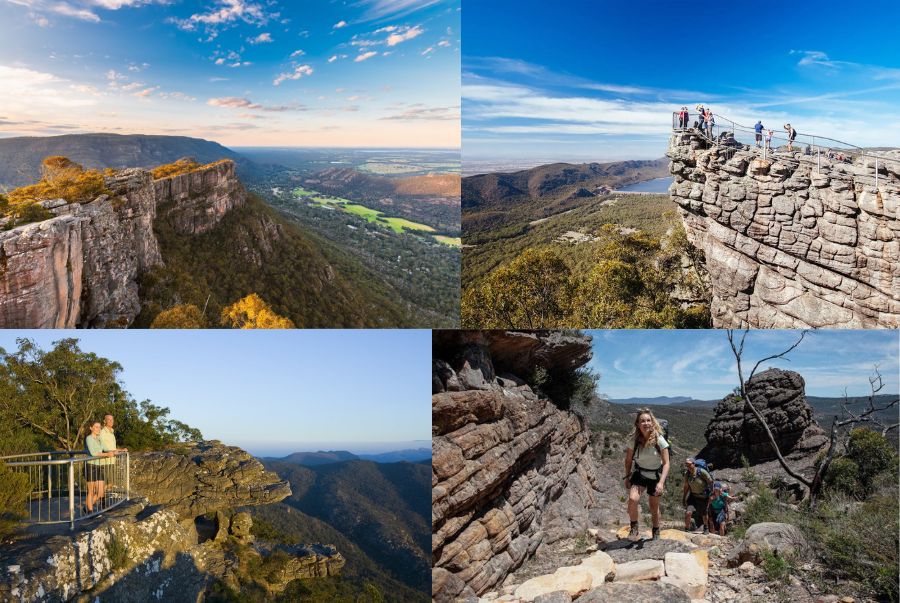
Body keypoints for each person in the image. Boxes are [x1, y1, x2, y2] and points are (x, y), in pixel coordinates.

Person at [624, 409, 670, 541]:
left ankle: (656, 530)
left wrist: (661, 482)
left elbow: (666, 463)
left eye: (648, 420)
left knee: (653, 506)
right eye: (642, 421)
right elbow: (628, 460)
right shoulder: (634, 440)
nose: (646, 423)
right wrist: (627, 476)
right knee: (633, 499)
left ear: (652, 422)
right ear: (638, 424)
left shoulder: (659, 439)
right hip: (640, 474)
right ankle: (634, 527)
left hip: (655, 476)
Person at [84, 421, 116, 513]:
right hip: (91, 466)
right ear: (91, 428)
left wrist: (115, 451)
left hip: (99, 466)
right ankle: (90, 511)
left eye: (99, 427)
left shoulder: (98, 438)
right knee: (91, 491)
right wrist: (107, 454)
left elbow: (105, 448)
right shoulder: (89, 438)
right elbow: (94, 453)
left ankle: (87, 508)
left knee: (100, 492)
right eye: (96, 427)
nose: (98, 429)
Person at [682, 458, 713, 533]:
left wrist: (711, 493)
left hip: (703, 496)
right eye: (687, 465)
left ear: (694, 464)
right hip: (693, 496)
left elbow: (711, 482)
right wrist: (684, 498)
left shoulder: (701, 472)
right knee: (688, 512)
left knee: (704, 513)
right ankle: (687, 529)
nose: (688, 466)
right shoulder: (687, 474)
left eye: (689, 464)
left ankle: (706, 528)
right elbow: (686, 486)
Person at [99, 414, 127, 490]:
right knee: (105, 485)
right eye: (109, 419)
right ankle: (99, 501)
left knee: (110, 484)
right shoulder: (102, 432)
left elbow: (112, 447)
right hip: (105, 461)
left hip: (111, 461)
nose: (111, 421)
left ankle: (104, 500)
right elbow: (103, 447)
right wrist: (113, 451)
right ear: (104, 421)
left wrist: (121, 450)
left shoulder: (111, 432)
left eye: (112, 419)